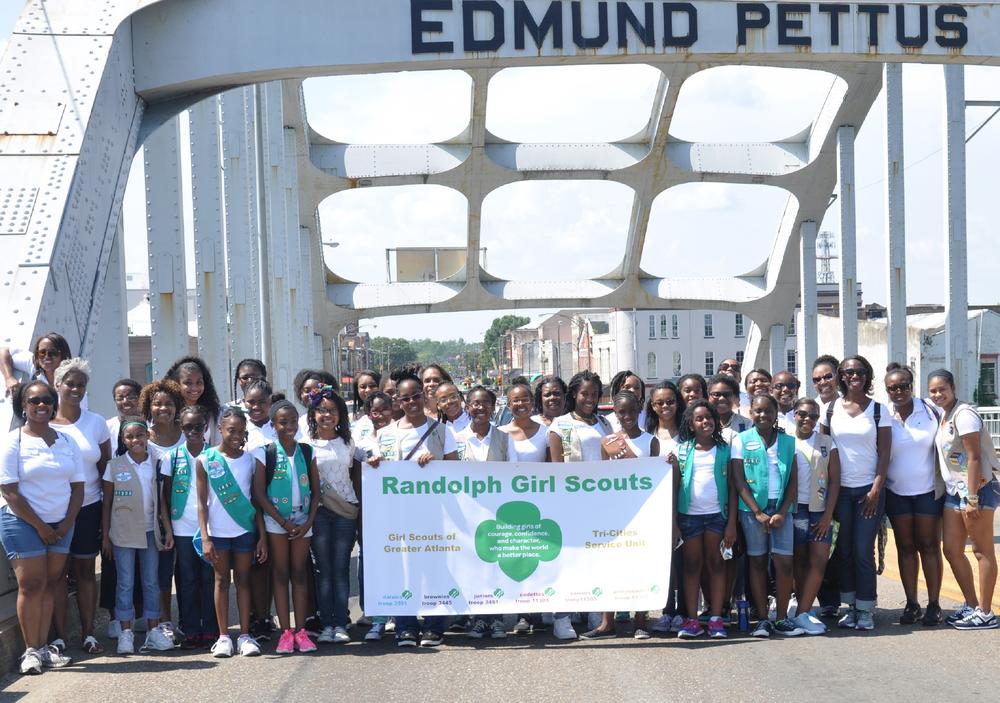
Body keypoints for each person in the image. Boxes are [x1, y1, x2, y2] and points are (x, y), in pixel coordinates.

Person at [370, 373, 458, 647]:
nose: (412, 402)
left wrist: (437, 464)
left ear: (425, 396)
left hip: (435, 513)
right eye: (405, 398)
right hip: (398, 513)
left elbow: (457, 472)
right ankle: (406, 626)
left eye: (416, 396)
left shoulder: (443, 432)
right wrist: (375, 464)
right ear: (398, 401)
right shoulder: (385, 434)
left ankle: (433, 626)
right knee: (402, 567)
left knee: (433, 567)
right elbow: (380, 471)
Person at [1, 380, 81, 674]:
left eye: (47, 399)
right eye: (34, 401)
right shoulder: (13, 440)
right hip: (21, 522)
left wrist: (66, 524)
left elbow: (79, 488)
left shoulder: (66, 441)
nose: (41, 405)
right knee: (31, 584)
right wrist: (43, 528)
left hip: (61, 524)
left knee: (50, 583)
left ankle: (45, 648)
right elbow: (9, 491)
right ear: (23, 405)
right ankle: (30, 651)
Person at [820, 355, 891, 631]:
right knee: (845, 550)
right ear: (841, 376)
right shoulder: (829, 409)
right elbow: (824, 451)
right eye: (848, 372)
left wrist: (876, 488)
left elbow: (884, 453)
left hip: (867, 490)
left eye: (859, 371)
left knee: (863, 550)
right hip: (840, 491)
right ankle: (850, 606)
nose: (854, 376)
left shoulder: (878, 410)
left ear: (867, 375)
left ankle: (866, 607)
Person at [928, 368, 1000, 630]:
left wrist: (972, 499)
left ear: (953, 388)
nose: (937, 394)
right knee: (952, 550)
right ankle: (971, 604)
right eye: (933, 390)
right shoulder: (944, 414)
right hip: (953, 490)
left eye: (942, 389)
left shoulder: (965, 414)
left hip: (976, 490)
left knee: (982, 551)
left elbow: (974, 457)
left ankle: (986, 612)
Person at [196, 407, 268, 657]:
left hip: (244, 531)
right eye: (231, 430)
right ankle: (224, 636)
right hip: (217, 532)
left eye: (241, 431)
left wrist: (262, 536)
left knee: (244, 581)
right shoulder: (206, 459)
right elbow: (201, 503)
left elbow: (257, 501)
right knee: (221, 581)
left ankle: (246, 635)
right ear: (220, 430)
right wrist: (205, 537)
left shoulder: (251, 460)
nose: (237, 435)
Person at [50, 358, 110, 655]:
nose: (75, 388)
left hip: (88, 507)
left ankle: (88, 634)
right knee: (58, 575)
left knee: (86, 571)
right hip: (54, 510)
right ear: (57, 385)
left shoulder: (95, 422)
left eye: (80, 384)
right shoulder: (42, 422)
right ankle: (60, 638)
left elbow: (105, 470)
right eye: (69, 383)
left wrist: (105, 516)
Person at [101, 418, 175, 654]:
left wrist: (168, 531)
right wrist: (106, 536)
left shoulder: (156, 463)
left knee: (151, 581)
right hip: (123, 533)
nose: (135, 440)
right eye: (130, 437)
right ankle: (126, 633)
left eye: (139, 435)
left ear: (147, 437)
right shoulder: (114, 465)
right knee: (125, 583)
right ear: (123, 440)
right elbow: (107, 503)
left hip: (150, 531)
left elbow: (161, 500)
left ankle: (153, 630)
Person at [253, 400, 321, 654]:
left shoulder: (307, 451)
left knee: (300, 573)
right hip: (276, 521)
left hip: (303, 520)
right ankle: (285, 632)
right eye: (283, 422)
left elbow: (315, 492)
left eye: (293, 420)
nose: (289, 426)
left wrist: (309, 522)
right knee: (280, 574)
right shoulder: (264, 452)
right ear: (273, 425)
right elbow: (259, 493)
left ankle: (301, 631)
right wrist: (282, 522)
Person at [589, 390, 659, 640]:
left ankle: (641, 620)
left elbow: (655, 478)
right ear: (615, 414)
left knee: (640, 568)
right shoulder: (607, 441)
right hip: (616, 513)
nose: (627, 416)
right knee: (611, 567)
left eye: (631, 411)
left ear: (640, 409)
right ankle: (607, 622)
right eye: (621, 412)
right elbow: (605, 480)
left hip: (643, 512)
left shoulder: (650, 441)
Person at [547, 370, 611, 641]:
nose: (590, 399)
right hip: (571, 503)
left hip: (601, 503)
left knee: (596, 557)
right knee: (567, 561)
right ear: (574, 394)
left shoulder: (606, 424)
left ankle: (595, 612)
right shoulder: (559, 425)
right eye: (585, 393)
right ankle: (561, 617)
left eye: (595, 394)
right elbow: (557, 470)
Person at [732, 393, 799, 637]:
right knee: (757, 562)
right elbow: (738, 480)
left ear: (775, 413)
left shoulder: (788, 441)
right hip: (752, 511)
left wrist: (782, 511)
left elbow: (793, 480)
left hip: (782, 510)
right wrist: (757, 512)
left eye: (768, 411)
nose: (763, 415)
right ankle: (762, 619)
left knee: (784, 563)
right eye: (758, 411)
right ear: (751, 413)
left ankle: (781, 618)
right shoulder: (741, 440)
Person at [884, 363, 945, 626]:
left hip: (928, 491)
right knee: (905, 547)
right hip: (896, 491)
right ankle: (912, 603)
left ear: (912, 385)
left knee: (929, 546)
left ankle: (934, 604)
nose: (898, 391)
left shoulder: (933, 410)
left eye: (903, 386)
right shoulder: (883, 413)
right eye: (892, 388)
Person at [671, 400, 734, 640]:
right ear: (691, 423)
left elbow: (732, 488)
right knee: (691, 567)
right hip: (689, 518)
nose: (705, 421)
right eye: (699, 418)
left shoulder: (725, 449)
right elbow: (674, 487)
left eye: (708, 417)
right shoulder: (681, 450)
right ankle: (692, 619)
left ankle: (716, 618)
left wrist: (731, 524)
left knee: (717, 564)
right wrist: (674, 521)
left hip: (718, 517)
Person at [454, 387, 511, 640]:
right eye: (474, 404)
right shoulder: (455, 438)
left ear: (493, 407)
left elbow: (515, 474)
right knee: (473, 567)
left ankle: (497, 619)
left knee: (495, 567)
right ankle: (478, 619)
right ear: (467, 407)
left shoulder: (504, 439)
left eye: (485, 404)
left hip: (497, 513)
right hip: (466, 514)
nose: (479, 408)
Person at [162, 405, 217, 649]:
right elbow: (163, 497)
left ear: (206, 428)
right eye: (188, 427)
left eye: (198, 427)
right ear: (180, 427)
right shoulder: (171, 458)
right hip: (182, 528)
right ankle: (191, 629)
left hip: (210, 528)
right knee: (187, 580)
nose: (193, 431)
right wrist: (168, 529)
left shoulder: (215, 456)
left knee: (209, 578)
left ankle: (211, 629)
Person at [138, 378, 185, 639]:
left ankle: (191, 620)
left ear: (177, 406)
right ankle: (165, 620)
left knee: (187, 570)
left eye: (168, 403)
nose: (163, 408)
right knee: (162, 570)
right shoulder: (143, 437)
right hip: (158, 515)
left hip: (187, 512)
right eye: (157, 404)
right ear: (149, 406)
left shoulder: (187, 432)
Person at [788, 398, 840, 636]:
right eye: (802, 414)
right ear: (794, 415)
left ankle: (803, 611)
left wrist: (828, 515)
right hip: (795, 509)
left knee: (819, 560)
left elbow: (834, 480)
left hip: (819, 510)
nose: (807, 419)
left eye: (813, 416)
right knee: (799, 561)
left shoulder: (827, 443)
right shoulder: (787, 441)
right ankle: (803, 607)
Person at [352, 391, 396, 641]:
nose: (380, 415)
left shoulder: (400, 434)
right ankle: (378, 616)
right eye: (375, 412)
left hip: (398, 506)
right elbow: (355, 472)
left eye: (384, 410)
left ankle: (398, 615)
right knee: (376, 561)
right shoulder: (362, 442)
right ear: (369, 414)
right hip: (372, 508)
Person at [644, 381, 686, 634]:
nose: (665, 406)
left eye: (670, 401)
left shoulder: (687, 432)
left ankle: (683, 611)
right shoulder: (646, 433)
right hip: (656, 507)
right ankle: (667, 609)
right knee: (664, 561)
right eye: (659, 402)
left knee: (683, 561)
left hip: (685, 503)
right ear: (652, 406)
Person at [810, 354, 841, 619]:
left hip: (850, 486)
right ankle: (821, 600)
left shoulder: (849, 405)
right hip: (818, 490)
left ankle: (848, 601)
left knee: (844, 548)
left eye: (828, 376)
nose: (823, 382)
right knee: (820, 547)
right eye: (817, 379)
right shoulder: (812, 408)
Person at [1, 334, 86, 409]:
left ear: (63, 354)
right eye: (42, 352)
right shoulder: (34, 365)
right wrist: (9, 378)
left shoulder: (74, 385)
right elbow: (3, 351)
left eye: (52, 353)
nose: (46, 356)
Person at [166, 356, 223, 443]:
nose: (194, 388)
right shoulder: (168, 413)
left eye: (199, 382)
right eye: (188, 383)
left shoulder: (214, 413)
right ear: (176, 384)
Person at [502, 381, 549, 463]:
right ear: (509, 405)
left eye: (525, 400)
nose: (520, 404)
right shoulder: (500, 433)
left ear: (532, 402)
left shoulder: (546, 432)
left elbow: (552, 467)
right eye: (516, 401)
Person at [707, 374, 751, 442]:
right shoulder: (702, 424)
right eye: (716, 395)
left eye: (727, 394)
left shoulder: (747, 424)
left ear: (735, 397)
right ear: (708, 396)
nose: (721, 398)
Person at [242, 379, 277, 453]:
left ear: (270, 401)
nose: (256, 407)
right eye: (251, 402)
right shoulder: (241, 428)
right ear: (244, 402)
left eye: (262, 402)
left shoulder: (278, 427)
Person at [351, 370, 381, 440]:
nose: (367, 390)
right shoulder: (350, 418)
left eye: (372, 386)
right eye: (363, 387)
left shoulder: (388, 416)